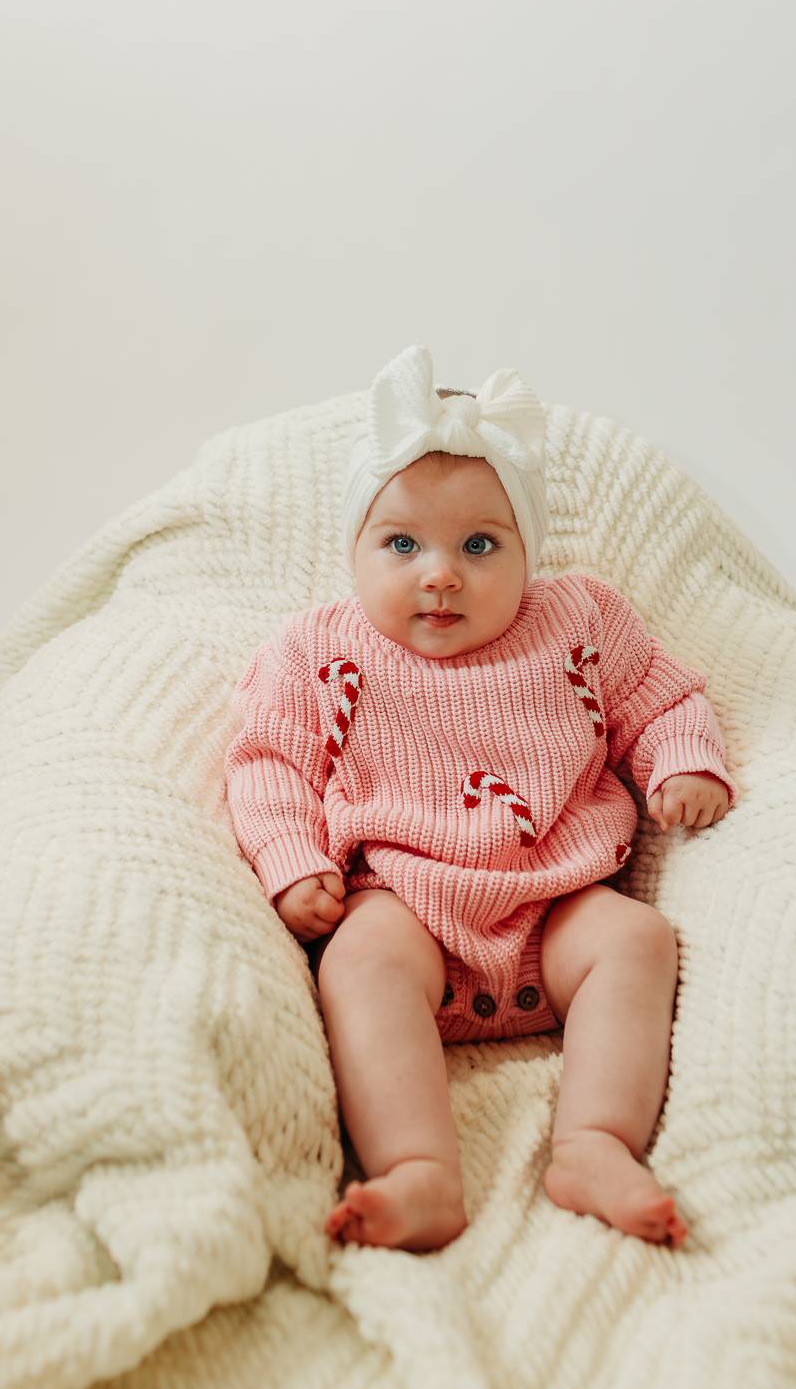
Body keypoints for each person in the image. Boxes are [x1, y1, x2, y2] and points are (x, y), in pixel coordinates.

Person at [224, 343, 738, 1253]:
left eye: (480, 545)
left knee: (638, 940)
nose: (441, 573)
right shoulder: (320, 652)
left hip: (556, 902)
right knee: (358, 964)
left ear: (527, 552)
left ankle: (593, 1143)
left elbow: (657, 697)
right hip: (408, 907)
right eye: (403, 544)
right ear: (356, 549)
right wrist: (292, 862)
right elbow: (268, 764)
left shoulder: (578, 623)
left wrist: (679, 763)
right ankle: (418, 1169)